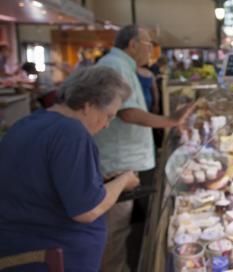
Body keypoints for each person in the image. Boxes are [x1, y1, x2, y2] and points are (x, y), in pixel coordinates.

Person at [0, 66, 140, 272]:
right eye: (108, 116)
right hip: (51, 258)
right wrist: (124, 180)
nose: (107, 124)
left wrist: (98, 180)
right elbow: (87, 210)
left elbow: (44, 181)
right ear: (88, 105)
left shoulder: (27, 122)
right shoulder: (71, 132)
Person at [94, 25, 194, 271]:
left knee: (125, 228)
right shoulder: (115, 67)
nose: (151, 49)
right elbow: (127, 113)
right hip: (120, 162)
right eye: (149, 43)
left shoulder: (125, 66)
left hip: (128, 160)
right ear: (133, 44)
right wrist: (171, 121)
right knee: (116, 229)